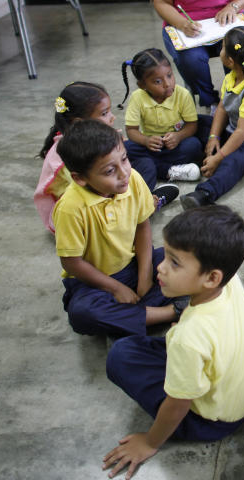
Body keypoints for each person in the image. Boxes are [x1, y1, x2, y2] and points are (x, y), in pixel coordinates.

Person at [103, 206, 244, 479]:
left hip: (213, 423)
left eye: (174, 263)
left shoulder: (189, 337)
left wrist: (150, 442)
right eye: (166, 256)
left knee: (121, 355)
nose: (160, 267)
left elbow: (178, 403)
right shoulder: (230, 279)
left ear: (211, 277)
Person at [52, 120, 181, 338]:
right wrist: (116, 288)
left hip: (135, 263)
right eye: (110, 170)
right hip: (94, 283)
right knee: (83, 314)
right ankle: (169, 312)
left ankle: (132, 316)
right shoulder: (70, 208)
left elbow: (142, 227)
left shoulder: (134, 180)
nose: (124, 173)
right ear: (80, 178)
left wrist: (144, 276)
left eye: (125, 159)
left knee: (191, 261)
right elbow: (71, 262)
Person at [179, 27, 244, 209]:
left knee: (234, 162)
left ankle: (204, 193)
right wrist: (213, 137)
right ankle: (185, 155)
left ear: (230, 60)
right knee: (198, 122)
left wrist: (218, 157)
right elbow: (222, 107)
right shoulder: (234, 75)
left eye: (222, 48)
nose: (220, 51)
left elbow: (242, 133)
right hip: (235, 129)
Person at [119, 48, 208, 193]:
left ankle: (155, 167)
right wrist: (146, 140)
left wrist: (178, 136)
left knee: (193, 145)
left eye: (169, 75)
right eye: (158, 81)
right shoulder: (137, 97)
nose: (167, 84)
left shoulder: (182, 95)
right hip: (151, 145)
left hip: (175, 144)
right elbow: (131, 130)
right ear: (142, 85)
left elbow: (192, 125)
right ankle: (168, 170)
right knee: (123, 149)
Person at [34, 82, 116, 233]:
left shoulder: (84, 138)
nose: (112, 117)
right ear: (79, 123)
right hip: (73, 216)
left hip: (93, 192)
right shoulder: (67, 155)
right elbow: (88, 191)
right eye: (104, 113)